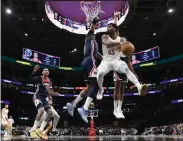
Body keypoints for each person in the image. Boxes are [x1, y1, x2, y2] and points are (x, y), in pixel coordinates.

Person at [96, 11, 148, 100]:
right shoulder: (104, 36)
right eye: (107, 26)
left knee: (126, 69)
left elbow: (116, 29)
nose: (108, 27)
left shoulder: (119, 38)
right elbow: (107, 43)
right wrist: (121, 43)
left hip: (116, 60)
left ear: (114, 29)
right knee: (100, 73)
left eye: (110, 26)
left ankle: (139, 87)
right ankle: (100, 90)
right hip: (106, 61)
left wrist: (115, 18)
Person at [66, 15, 102, 122]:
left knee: (89, 87)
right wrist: (95, 22)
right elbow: (91, 30)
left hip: (86, 62)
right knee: (96, 86)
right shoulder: (89, 38)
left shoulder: (93, 45)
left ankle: (73, 104)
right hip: (90, 62)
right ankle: (84, 108)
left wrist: (105, 59)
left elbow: (98, 54)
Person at [29, 65, 58, 140]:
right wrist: (34, 71)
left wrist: (53, 93)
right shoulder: (39, 78)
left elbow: (50, 90)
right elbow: (30, 79)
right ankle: (33, 129)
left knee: (50, 112)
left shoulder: (50, 80)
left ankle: (40, 130)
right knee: (41, 110)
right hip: (37, 96)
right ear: (42, 72)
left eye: (48, 70)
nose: (47, 71)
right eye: (45, 70)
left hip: (44, 98)